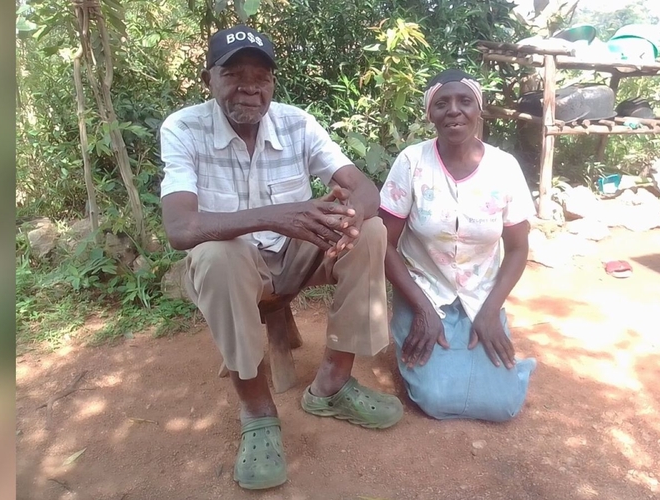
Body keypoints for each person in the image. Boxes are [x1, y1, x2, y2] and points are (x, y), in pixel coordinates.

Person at [159, 26, 403, 490]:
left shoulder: (297, 123)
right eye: (233, 73)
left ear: (273, 83)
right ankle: (257, 410)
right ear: (209, 78)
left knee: (370, 230)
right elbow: (181, 228)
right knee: (216, 255)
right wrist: (278, 215)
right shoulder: (184, 127)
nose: (249, 86)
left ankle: (331, 384)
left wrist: (349, 216)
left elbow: (364, 188)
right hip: (236, 266)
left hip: (298, 256)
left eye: (261, 76)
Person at [378, 69, 537, 422]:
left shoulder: (504, 168)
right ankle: (419, 335)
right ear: (429, 113)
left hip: (481, 293)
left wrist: (491, 310)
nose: (454, 110)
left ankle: (494, 363)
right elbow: (383, 245)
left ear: (479, 110)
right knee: (436, 398)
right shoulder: (412, 163)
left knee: (503, 405)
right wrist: (421, 308)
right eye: (442, 103)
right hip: (422, 289)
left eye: (465, 101)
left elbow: (517, 249)